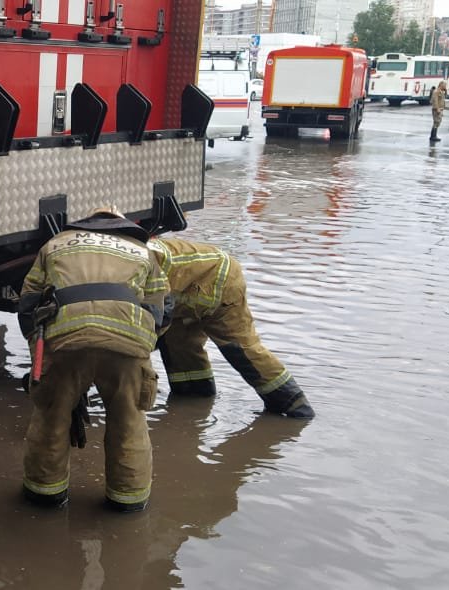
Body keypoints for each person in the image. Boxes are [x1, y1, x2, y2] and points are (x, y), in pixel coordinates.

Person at [17, 208, 166, 513]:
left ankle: (45, 495)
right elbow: (162, 311)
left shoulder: (55, 244)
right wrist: (140, 351)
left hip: (65, 338)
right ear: (123, 226)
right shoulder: (143, 251)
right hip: (127, 343)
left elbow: (28, 304)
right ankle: (128, 501)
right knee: (129, 420)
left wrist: (41, 354)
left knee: (51, 416)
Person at [148, 238, 315, 419]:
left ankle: (296, 406)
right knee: (180, 349)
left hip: (219, 279)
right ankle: (194, 405)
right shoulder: (128, 254)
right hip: (184, 291)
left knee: (242, 350)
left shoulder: (133, 260)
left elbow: (159, 310)